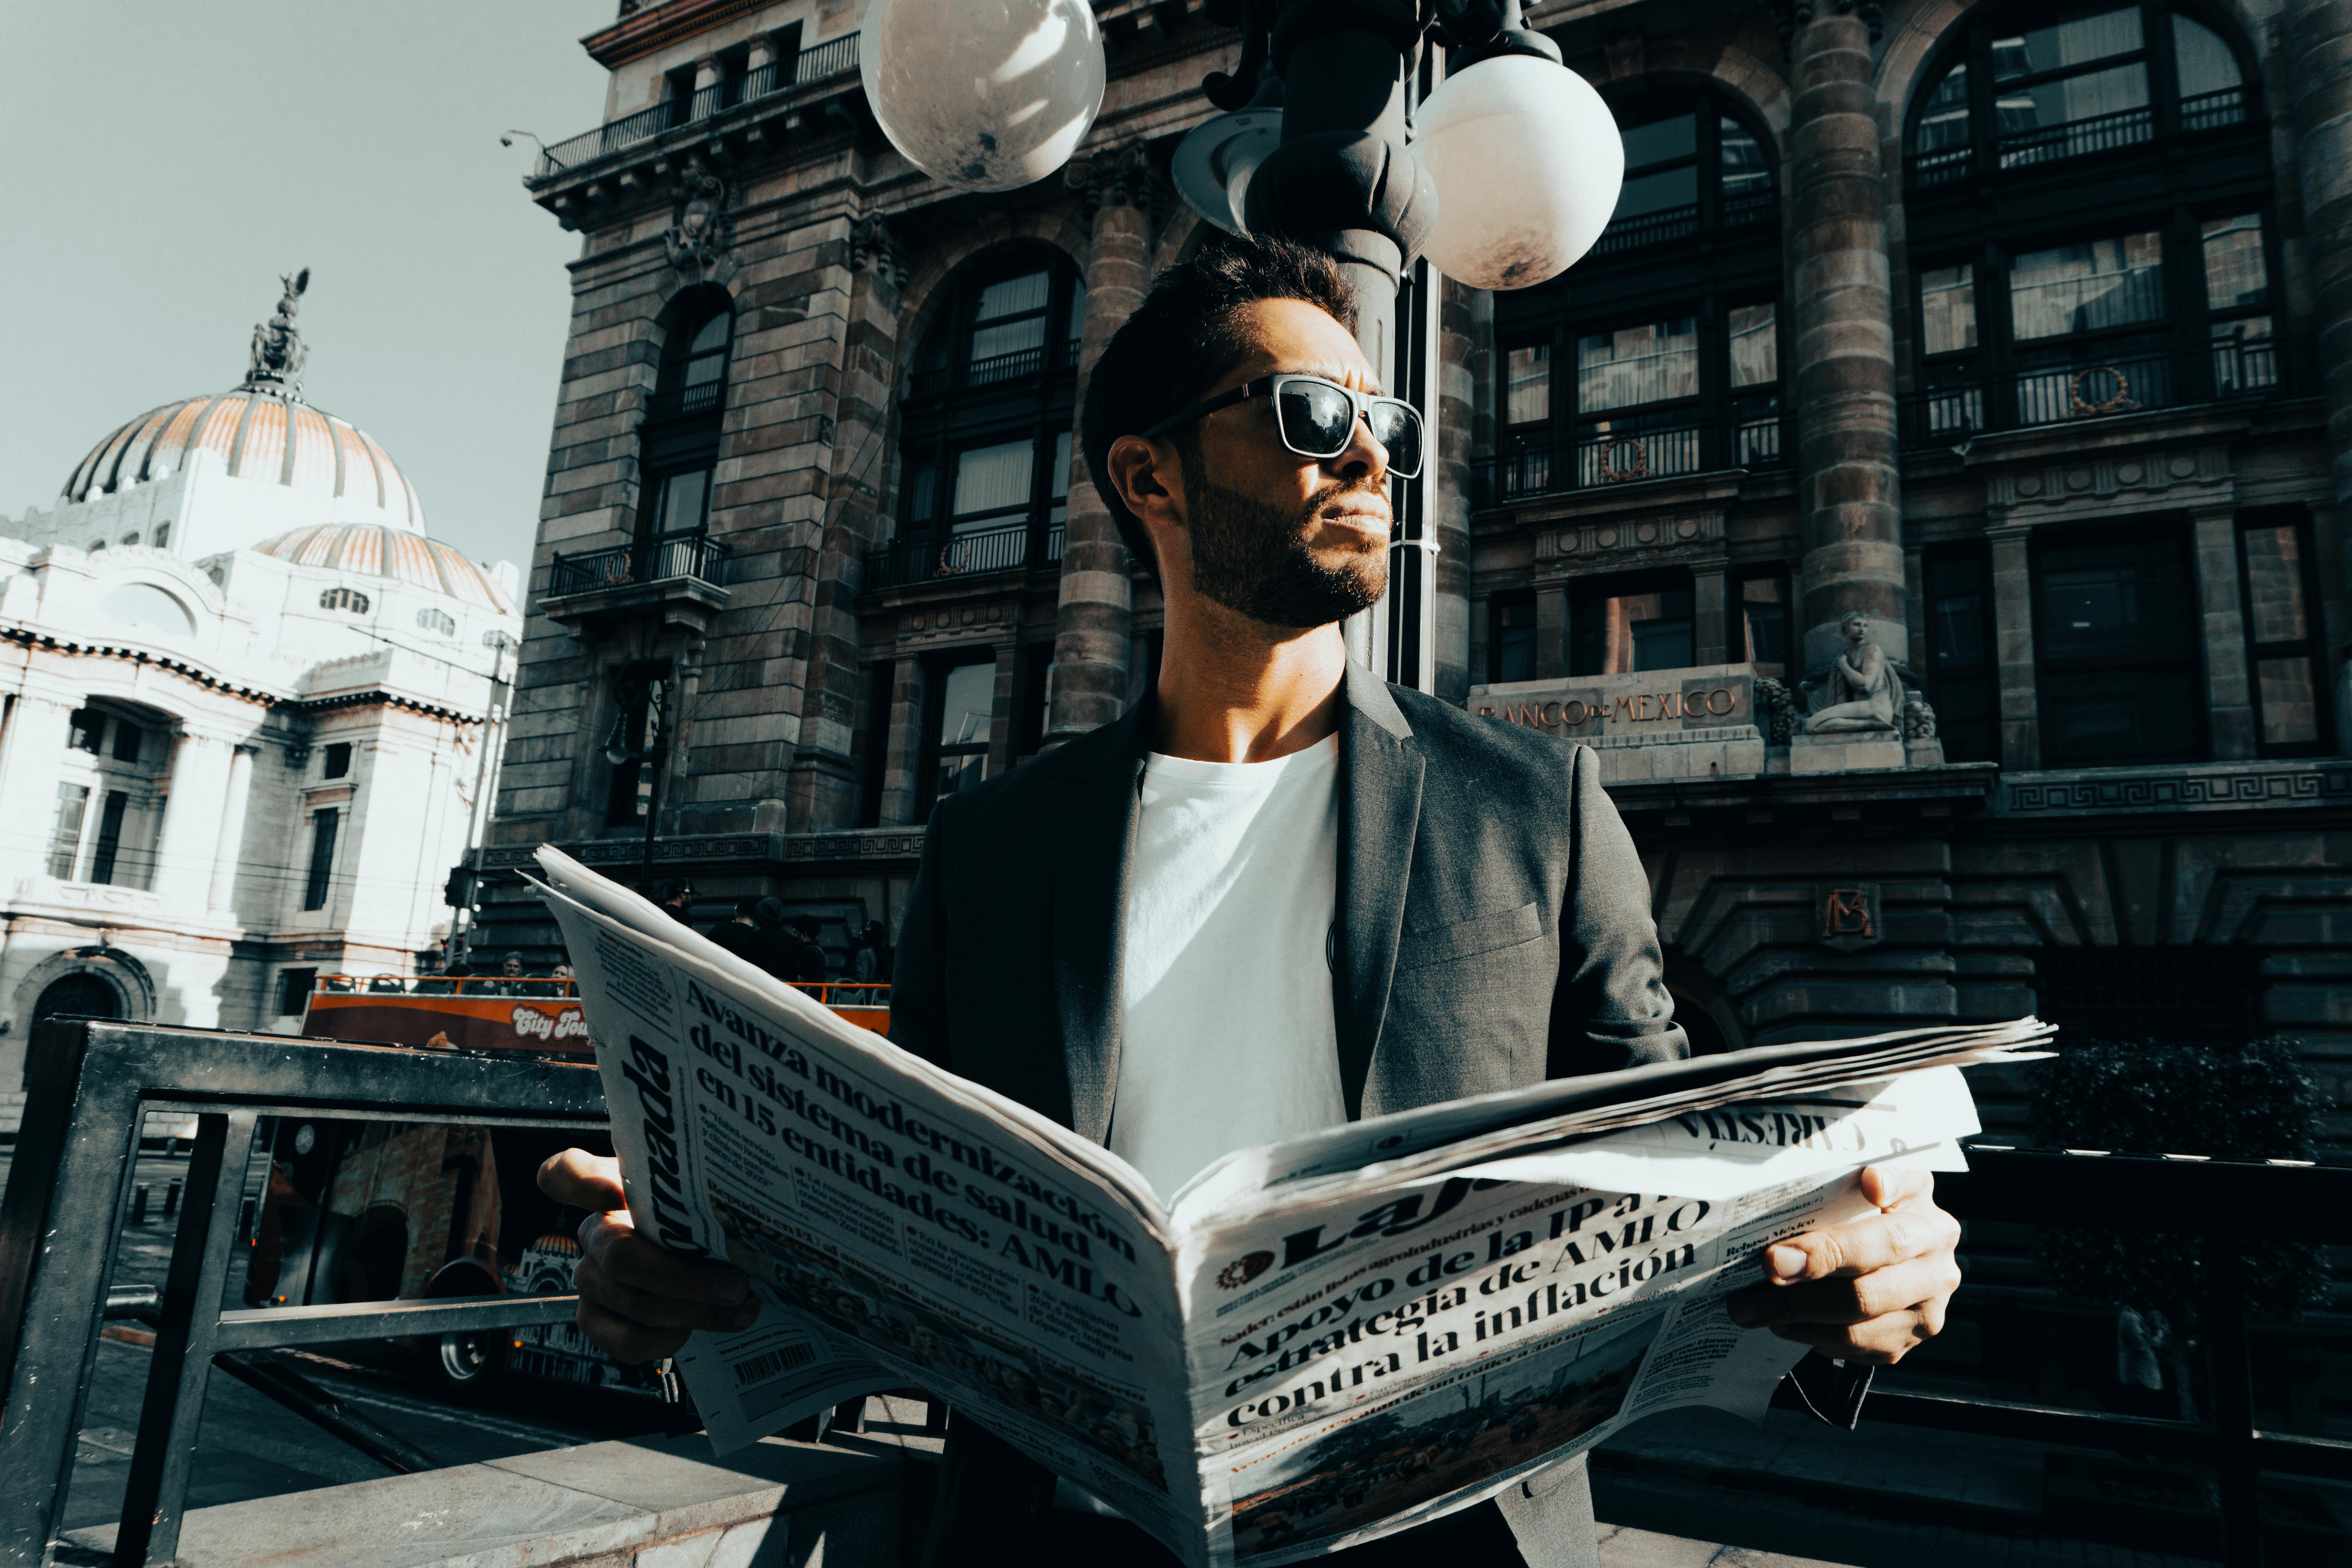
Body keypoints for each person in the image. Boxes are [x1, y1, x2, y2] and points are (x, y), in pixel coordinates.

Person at [539, 237, 1964, 1567]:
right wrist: (683, 1267)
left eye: (1383, 424)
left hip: (1440, 1549)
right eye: (1306, 412)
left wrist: (1856, 1278)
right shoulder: (988, 846)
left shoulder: (1535, 807)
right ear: (1151, 480)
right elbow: (901, 1239)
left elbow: (1684, 1188)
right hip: (1048, 1538)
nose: (1368, 457)